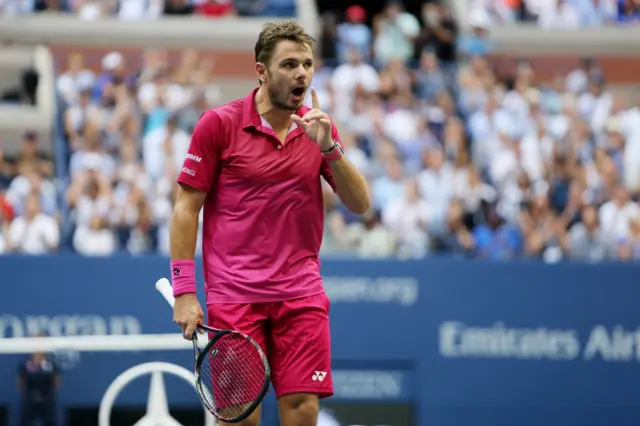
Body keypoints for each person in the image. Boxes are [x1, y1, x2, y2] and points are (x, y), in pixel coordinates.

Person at [168, 20, 370, 426]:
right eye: (289, 64)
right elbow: (186, 208)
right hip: (235, 295)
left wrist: (329, 149)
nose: (301, 73)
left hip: (301, 293)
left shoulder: (318, 129)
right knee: (241, 418)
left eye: (308, 64)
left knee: (303, 409)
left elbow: (359, 203)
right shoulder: (219, 124)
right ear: (261, 71)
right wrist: (184, 290)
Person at [17, 333, 60, 426]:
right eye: (36, 343)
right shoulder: (25, 365)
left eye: (41, 343)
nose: (38, 347)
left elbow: (56, 382)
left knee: (49, 421)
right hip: (30, 399)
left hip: (47, 400)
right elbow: (20, 383)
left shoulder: (51, 365)